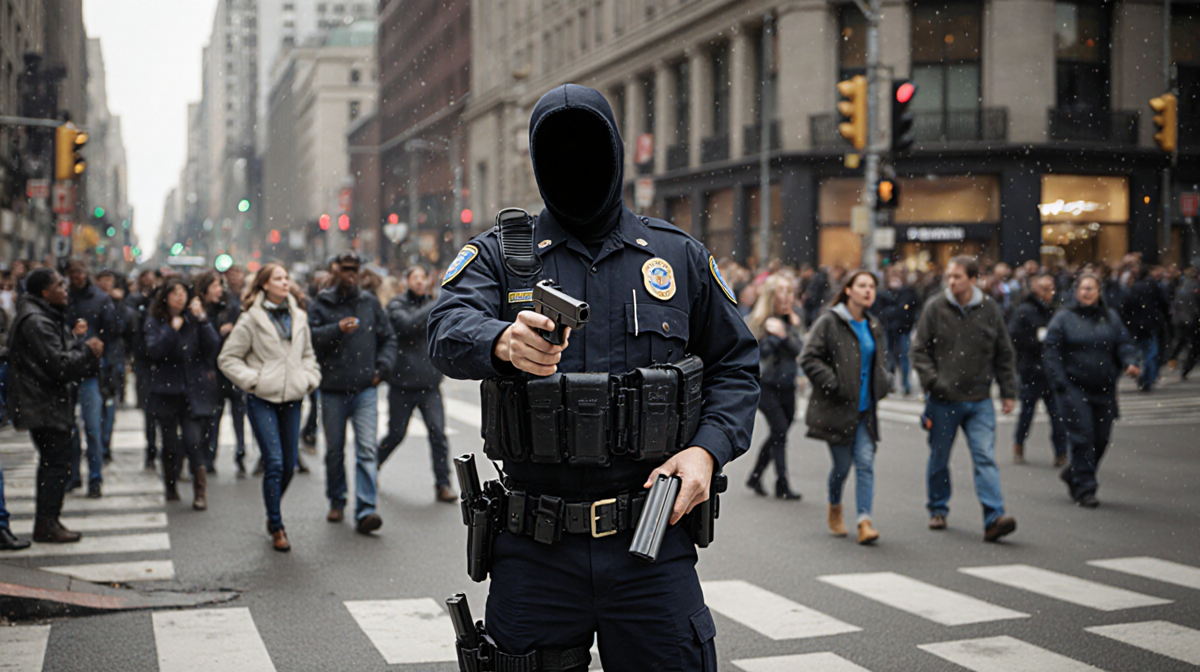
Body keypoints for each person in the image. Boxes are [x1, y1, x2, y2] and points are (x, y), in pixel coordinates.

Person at [428, 83, 759, 670]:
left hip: (651, 543)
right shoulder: (505, 256)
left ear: (615, 151)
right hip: (535, 550)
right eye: (556, 150)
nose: (574, 163)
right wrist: (500, 340)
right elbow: (444, 328)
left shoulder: (676, 256)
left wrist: (706, 453)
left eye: (587, 147)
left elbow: (735, 365)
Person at [911, 256, 1019, 542]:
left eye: (957, 276)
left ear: (973, 279)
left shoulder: (989, 309)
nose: (951, 281)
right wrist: (934, 382)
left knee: (985, 457)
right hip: (944, 399)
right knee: (939, 458)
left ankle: (994, 516)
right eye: (949, 276)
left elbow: (1003, 352)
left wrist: (1008, 391)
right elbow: (919, 350)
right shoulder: (935, 307)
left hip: (979, 398)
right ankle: (937, 508)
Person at [219, 263, 321, 551]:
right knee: (274, 462)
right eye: (278, 278)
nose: (285, 282)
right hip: (262, 398)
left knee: (289, 465)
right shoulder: (251, 318)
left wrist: (309, 378)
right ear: (264, 284)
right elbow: (228, 358)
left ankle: (272, 508)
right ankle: (276, 524)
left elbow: (308, 354)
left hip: (293, 399)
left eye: (286, 277)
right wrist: (254, 380)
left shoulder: (299, 316)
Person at [8, 268, 103, 542]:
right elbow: (58, 364)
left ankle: (49, 522)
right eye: (59, 285)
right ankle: (47, 524)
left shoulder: (42, 316)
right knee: (55, 464)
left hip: (47, 401)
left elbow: (59, 353)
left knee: (56, 463)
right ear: (44, 293)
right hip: (43, 404)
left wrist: (79, 347)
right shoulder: (36, 320)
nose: (65, 289)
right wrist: (87, 350)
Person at [308, 251, 396, 534]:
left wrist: (381, 369)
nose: (350, 275)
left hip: (364, 390)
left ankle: (366, 509)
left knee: (367, 450)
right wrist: (336, 329)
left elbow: (388, 338)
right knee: (334, 451)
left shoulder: (369, 302)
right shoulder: (322, 303)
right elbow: (309, 339)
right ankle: (337, 499)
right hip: (332, 390)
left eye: (354, 270)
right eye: (345, 270)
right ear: (334, 271)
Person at [800, 270, 889, 545]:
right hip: (838, 409)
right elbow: (808, 357)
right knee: (842, 467)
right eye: (862, 285)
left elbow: (880, 361)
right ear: (848, 290)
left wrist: (884, 382)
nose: (868, 291)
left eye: (872, 286)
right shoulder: (831, 321)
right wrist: (834, 383)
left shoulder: (873, 325)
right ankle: (835, 507)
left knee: (865, 463)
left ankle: (864, 521)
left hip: (865, 411)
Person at [1043, 274, 1140, 508]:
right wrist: (1060, 383)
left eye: (1092, 289)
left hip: (1104, 387)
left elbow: (1124, 342)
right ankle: (1086, 487)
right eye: (1083, 288)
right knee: (1082, 436)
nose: (1087, 293)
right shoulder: (1064, 318)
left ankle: (1074, 472)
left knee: (1102, 437)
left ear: (1099, 292)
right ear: (1076, 292)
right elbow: (1051, 349)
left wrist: (1130, 361)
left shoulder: (1110, 318)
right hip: (1074, 386)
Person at [378, 265, 455, 503]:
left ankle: (443, 484)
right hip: (402, 385)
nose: (421, 282)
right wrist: (438, 303)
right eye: (415, 278)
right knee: (396, 434)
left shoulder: (434, 304)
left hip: (429, 385)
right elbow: (408, 325)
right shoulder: (396, 305)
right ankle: (371, 468)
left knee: (438, 434)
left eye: (424, 277)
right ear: (406, 281)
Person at [145, 279, 221, 510]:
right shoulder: (156, 321)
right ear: (165, 297)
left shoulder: (194, 321)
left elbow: (213, 346)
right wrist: (170, 329)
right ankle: (170, 486)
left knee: (193, 441)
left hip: (191, 390)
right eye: (174, 293)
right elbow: (154, 351)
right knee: (169, 444)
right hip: (166, 390)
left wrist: (203, 320)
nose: (180, 297)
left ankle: (200, 492)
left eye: (183, 293)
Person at [744, 274, 803, 500]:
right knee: (779, 431)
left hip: (788, 386)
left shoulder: (794, 319)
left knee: (780, 433)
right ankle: (782, 483)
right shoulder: (757, 320)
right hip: (765, 386)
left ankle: (755, 475)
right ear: (771, 295)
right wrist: (772, 336)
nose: (788, 297)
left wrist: (785, 333)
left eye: (790, 291)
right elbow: (757, 354)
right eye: (782, 291)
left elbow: (801, 350)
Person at [64, 261, 118, 498]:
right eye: (73, 272)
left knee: (93, 427)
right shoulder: (64, 298)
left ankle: (95, 477)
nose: (77, 276)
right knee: (68, 428)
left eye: (80, 271)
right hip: (66, 372)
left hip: (91, 372)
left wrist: (98, 344)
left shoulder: (99, 298)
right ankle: (74, 474)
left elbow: (114, 330)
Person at [1007, 273, 1068, 466]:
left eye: (1051, 288)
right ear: (1035, 289)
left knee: (1057, 415)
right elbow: (1014, 337)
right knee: (1027, 412)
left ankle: (1060, 452)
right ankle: (1019, 444)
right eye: (1045, 288)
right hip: (1032, 370)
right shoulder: (1025, 311)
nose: (1050, 292)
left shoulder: (1055, 310)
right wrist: (1036, 340)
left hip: (1051, 371)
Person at [195, 271, 247, 476]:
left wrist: (234, 329)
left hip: (232, 371)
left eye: (220, 285)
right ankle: (209, 458)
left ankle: (240, 456)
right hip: (213, 373)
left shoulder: (231, 307)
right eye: (215, 285)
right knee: (213, 419)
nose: (220, 289)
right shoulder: (201, 310)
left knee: (238, 418)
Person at [124, 270, 160, 470]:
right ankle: (151, 449)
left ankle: (159, 450)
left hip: (162, 369)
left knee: (160, 415)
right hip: (146, 367)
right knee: (150, 412)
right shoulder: (141, 313)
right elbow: (135, 338)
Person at [94, 269, 127, 464]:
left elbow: (121, 328)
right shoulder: (92, 300)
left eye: (110, 281)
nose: (107, 284)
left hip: (113, 359)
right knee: (95, 407)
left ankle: (105, 444)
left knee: (109, 403)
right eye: (103, 280)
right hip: (95, 359)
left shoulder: (115, 304)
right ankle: (98, 444)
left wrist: (116, 304)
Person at [1121, 264, 1168, 391]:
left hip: (1137, 325)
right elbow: (1164, 303)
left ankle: (1142, 375)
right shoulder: (1153, 286)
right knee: (1151, 352)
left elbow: (1126, 307)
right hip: (1151, 324)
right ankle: (1148, 378)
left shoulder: (1133, 288)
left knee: (1140, 350)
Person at [876, 268, 919, 396]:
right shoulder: (884, 294)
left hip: (903, 329)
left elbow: (911, 309)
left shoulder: (907, 293)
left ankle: (905, 384)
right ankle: (890, 383)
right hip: (889, 329)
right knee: (889, 358)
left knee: (903, 356)